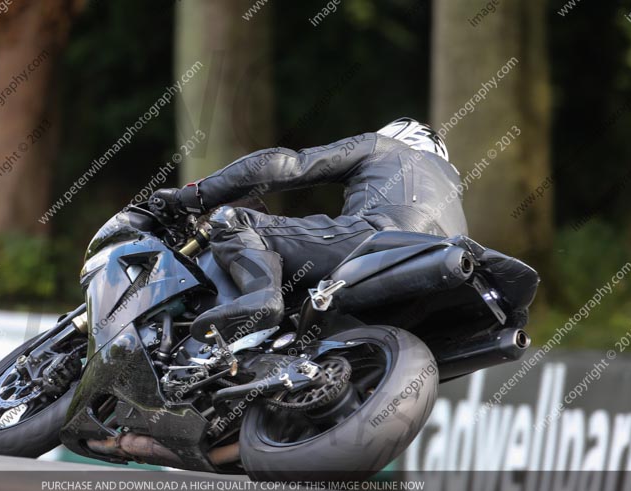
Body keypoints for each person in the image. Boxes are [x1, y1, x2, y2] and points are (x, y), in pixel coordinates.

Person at [149, 118, 468, 343]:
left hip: (378, 238)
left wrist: (191, 196)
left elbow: (284, 165)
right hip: (437, 293)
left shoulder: (385, 147)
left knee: (233, 220)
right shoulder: (453, 196)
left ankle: (260, 296)